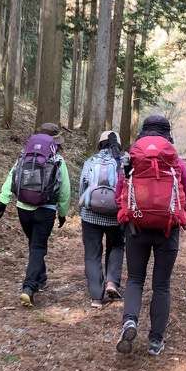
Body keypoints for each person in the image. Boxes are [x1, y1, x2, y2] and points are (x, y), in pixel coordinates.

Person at [115, 115, 186, 356]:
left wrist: (134, 213)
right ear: (168, 134)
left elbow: (119, 196)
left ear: (143, 133)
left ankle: (130, 322)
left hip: (136, 228)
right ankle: (155, 341)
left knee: (135, 279)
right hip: (167, 230)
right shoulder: (176, 162)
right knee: (161, 285)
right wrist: (172, 213)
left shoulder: (132, 160)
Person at [0, 122, 71, 307]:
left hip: (23, 209)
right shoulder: (58, 160)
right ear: (55, 141)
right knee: (37, 248)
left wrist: (3, 200)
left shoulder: (24, 156)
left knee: (34, 245)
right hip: (46, 210)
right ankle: (29, 287)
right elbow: (65, 191)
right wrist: (62, 213)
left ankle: (41, 278)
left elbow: (11, 177)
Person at [79, 130, 125, 309]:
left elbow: (83, 186)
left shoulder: (90, 162)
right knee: (117, 246)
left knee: (92, 255)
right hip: (116, 216)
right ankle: (112, 282)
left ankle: (96, 298)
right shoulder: (122, 162)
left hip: (91, 215)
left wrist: (81, 208)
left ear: (100, 144)